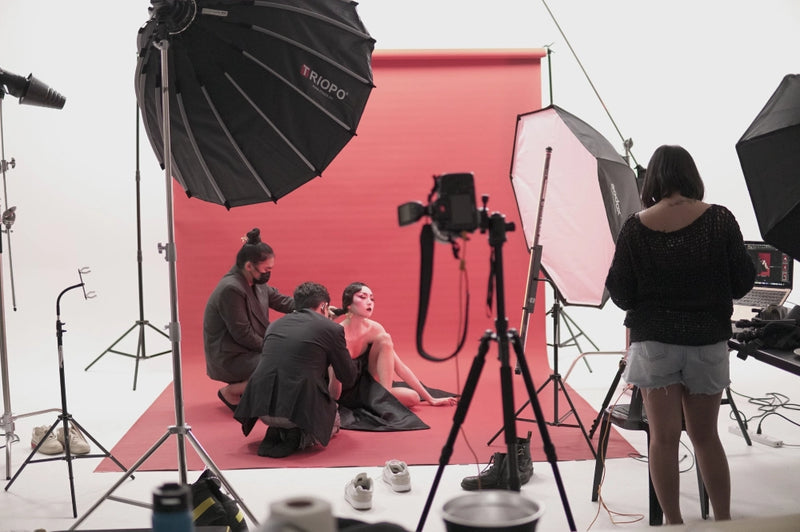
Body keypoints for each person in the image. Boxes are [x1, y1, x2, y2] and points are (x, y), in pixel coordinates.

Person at [605, 145, 756, 525]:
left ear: (653, 179)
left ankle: (673, 523)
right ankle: (724, 521)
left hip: (654, 344)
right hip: (707, 342)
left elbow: (620, 293)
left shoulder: (635, 227)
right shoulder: (720, 220)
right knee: (706, 437)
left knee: (663, 439)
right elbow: (742, 282)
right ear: (692, 176)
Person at [234, 282, 357, 458]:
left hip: (261, 408)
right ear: (324, 306)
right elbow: (349, 377)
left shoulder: (275, 326)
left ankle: (276, 430)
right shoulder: (332, 329)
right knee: (335, 419)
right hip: (295, 412)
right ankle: (299, 437)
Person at [203, 228, 295, 411]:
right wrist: (274, 348)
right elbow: (243, 334)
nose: (269, 273)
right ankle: (231, 392)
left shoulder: (255, 281)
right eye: (267, 269)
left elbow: (282, 301)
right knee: (285, 361)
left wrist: (313, 306)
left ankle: (256, 390)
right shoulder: (231, 289)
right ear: (249, 266)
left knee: (290, 355)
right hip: (232, 355)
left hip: (246, 350)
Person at [336, 282, 458, 408]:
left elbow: (400, 368)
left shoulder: (375, 328)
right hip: (345, 391)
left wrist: (431, 399)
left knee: (413, 397)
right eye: (362, 297)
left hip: (370, 388)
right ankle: (381, 401)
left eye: (372, 299)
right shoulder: (338, 333)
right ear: (348, 304)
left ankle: (384, 397)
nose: (369, 302)